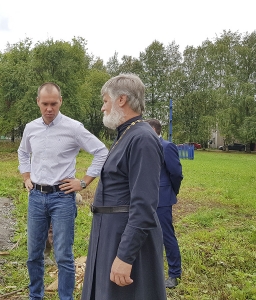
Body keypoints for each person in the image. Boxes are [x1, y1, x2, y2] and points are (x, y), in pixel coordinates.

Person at [18, 82, 108, 300]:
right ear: (38, 102)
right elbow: (23, 152)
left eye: (54, 104)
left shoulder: (73, 127)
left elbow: (101, 151)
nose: (49, 108)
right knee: (33, 255)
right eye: (45, 104)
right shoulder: (31, 128)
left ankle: (65, 298)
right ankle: (35, 296)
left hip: (62, 197)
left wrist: (84, 182)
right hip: (37, 197)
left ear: (60, 102)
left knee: (64, 256)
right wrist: (26, 177)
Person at [81, 74, 167, 300]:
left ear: (121, 100)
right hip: (110, 232)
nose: (102, 108)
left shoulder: (142, 139)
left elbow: (144, 205)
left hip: (123, 238)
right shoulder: (126, 134)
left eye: (105, 101)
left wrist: (125, 256)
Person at [146, 118, 183, 288]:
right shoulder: (145, 147)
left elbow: (176, 173)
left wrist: (171, 192)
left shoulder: (167, 147)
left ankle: (174, 274)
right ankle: (151, 273)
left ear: (154, 130)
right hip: (144, 199)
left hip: (162, 199)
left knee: (167, 236)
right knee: (147, 237)